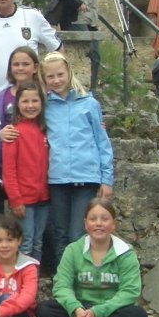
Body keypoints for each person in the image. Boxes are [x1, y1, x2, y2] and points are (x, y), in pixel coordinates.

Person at [32, 198, 147, 317]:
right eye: (93, 219)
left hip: (111, 311)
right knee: (44, 311)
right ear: (85, 224)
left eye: (105, 219)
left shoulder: (125, 253)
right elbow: (62, 286)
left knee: (138, 316)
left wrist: (98, 313)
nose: (98, 223)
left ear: (113, 224)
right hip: (81, 309)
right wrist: (76, 310)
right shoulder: (73, 250)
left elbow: (130, 292)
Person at [41, 52, 113, 264]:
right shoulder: (45, 106)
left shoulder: (89, 103)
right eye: (50, 76)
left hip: (86, 177)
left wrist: (107, 179)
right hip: (57, 178)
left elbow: (102, 143)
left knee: (77, 234)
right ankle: (61, 276)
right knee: (59, 232)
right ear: (44, 79)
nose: (56, 80)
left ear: (69, 72)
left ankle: (79, 274)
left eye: (60, 74)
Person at [0, 46, 44, 226]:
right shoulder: (2, 97)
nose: (20, 68)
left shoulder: (45, 94)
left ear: (35, 67)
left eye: (25, 64)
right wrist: (0, 133)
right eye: (16, 64)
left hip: (35, 172)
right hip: (5, 166)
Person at [1, 82, 49, 262]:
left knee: (38, 241)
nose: (30, 106)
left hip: (44, 197)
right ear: (17, 104)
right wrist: (15, 199)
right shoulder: (13, 132)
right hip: (23, 200)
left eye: (35, 101)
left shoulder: (45, 130)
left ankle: (34, 276)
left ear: (42, 103)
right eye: (25, 101)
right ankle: (24, 276)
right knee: (26, 242)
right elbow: (8, 170)